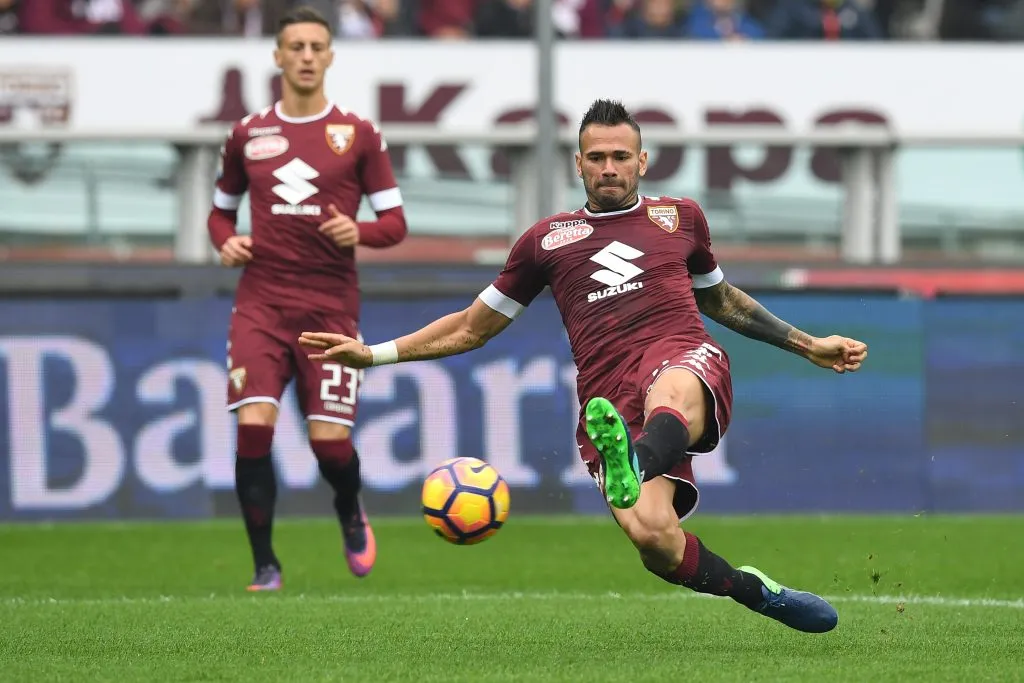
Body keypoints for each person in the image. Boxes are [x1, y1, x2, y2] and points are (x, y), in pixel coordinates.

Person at [298, 99, 867, 632]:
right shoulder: (546, 242)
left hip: (678, 352)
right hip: (607, 392)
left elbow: (718, 298)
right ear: (578, 164)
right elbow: (473, 325)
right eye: (597, 158)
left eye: (621, 156)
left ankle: (636, 462)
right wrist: (374, 354)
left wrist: (805, 343)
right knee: (656, 542)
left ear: (642, 161)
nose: (610, 167)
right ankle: (751, 589)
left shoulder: (681, 219)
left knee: (672, 386)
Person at [207, 5, 408, 591]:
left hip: (329, 309)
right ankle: (265, 565)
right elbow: (219, 213)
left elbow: (394, 223)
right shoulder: (248, 133)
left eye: (315, 46)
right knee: (253, 428)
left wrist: (360, 232)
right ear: (277, 55)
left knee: (329, 442)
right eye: (294, 46)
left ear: (330, 55)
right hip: (261, 305)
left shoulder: (358, 134)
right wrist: (227, 242)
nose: (305, 56)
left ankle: (349, 509)